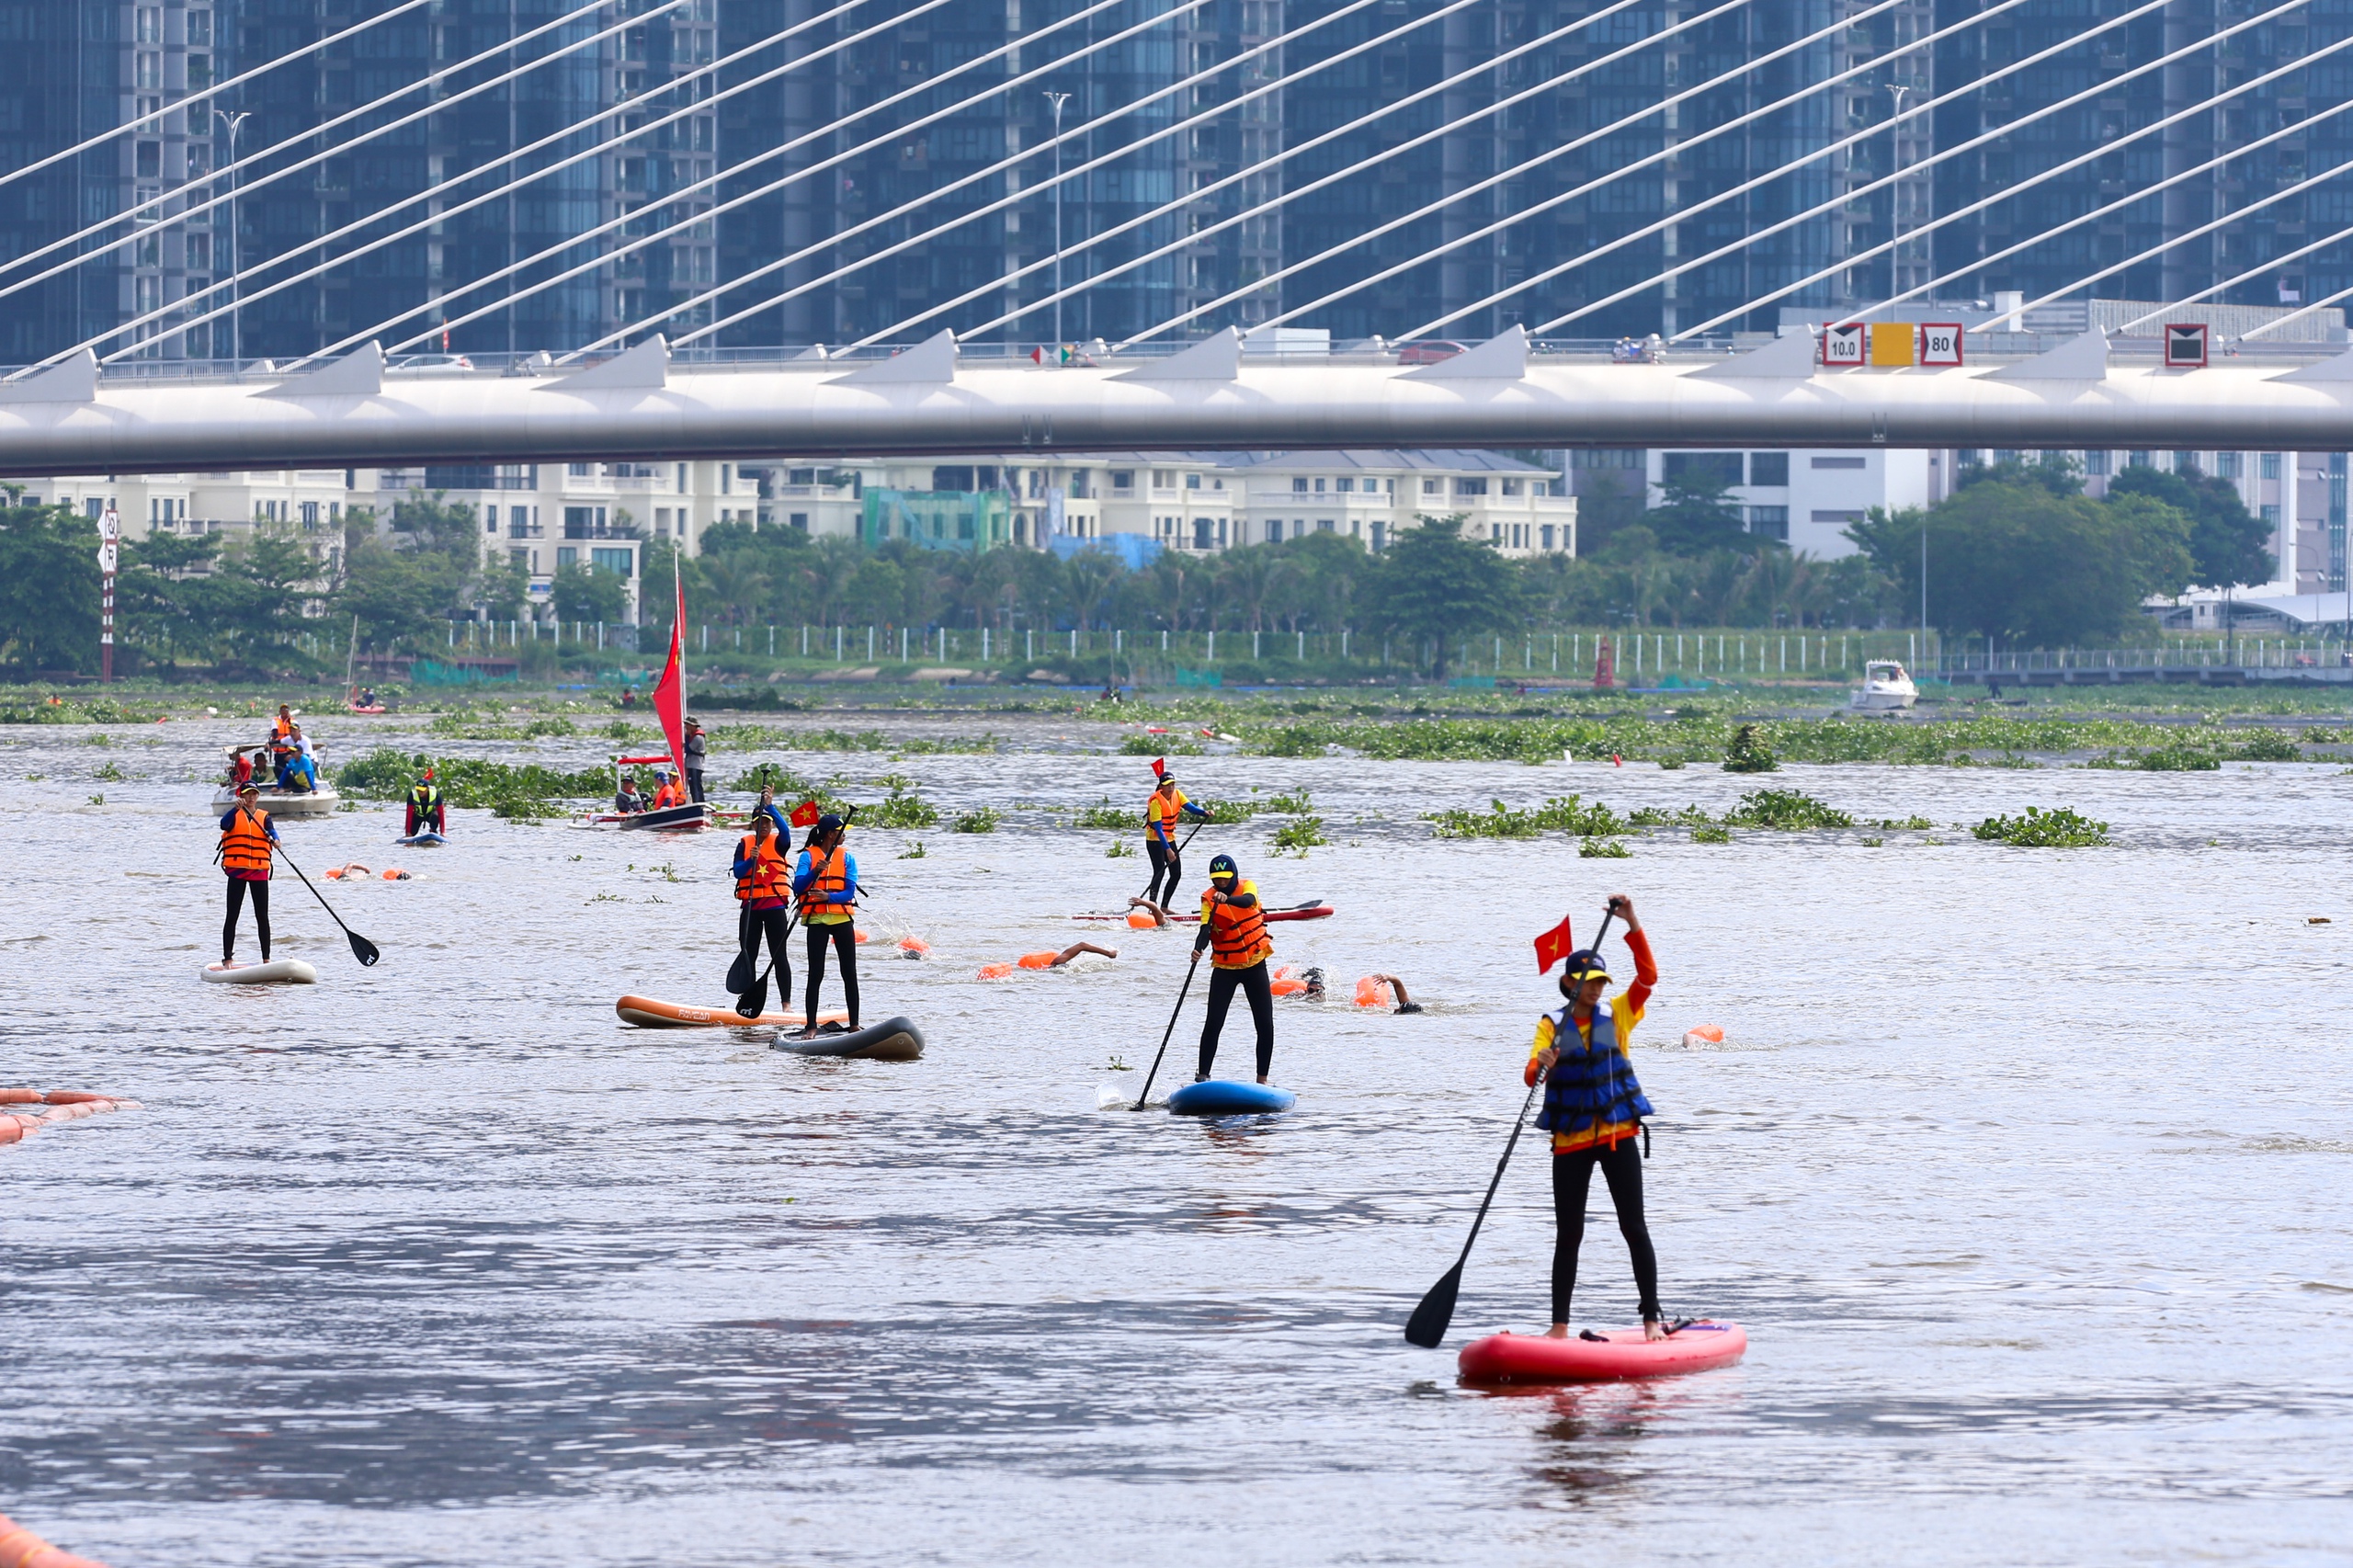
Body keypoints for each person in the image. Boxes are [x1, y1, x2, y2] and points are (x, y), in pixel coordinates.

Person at [1528, 893, 1663, 1342]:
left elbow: (1649, 977)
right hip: (1570, 1143)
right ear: (1569, 983)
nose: (1597, 988)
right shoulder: (1552, 1026)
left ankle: (1651, 1321)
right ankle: (1558, 1327)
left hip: (1618, 1137)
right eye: (1589, 981)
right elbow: (1532, 1076)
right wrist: (1544, 1061)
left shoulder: (1620, 1014)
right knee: (1569, 1234)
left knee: (1633, 1227)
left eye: (1602, 981)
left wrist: (1632, 923)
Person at [1192, 852, 1275, 1085]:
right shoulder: (1207, 898)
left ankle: (1262, 1080)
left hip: (1254, 964)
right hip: (1224, 967)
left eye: (1226, 878)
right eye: (1217, 879)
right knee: (1214, 1022)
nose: (1221, 883)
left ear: (1234, 875)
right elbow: (1205, 929)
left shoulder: (1248, 886)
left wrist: (1226, 899)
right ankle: (1202, 1076)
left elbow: (1248, 901)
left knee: (1264, 1023)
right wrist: (1198, 948)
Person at [793, 812, 859, 1033]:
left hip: (842, 919)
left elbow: (849, 891)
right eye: (841, 832)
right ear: (831, 834)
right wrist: (816, 871)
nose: (845, 836)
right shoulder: (808, 857)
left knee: (849, 973)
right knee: (816, 973)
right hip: (817, 920)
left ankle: (854, 1025)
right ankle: (810, 1026)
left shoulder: (847, 858)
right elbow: (798, 888)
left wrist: (828, 897)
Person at [732, 809, 793, 1005]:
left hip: (774, 907)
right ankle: (748, 1000)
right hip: (751, 908)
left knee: (779, 956)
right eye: (759, 822)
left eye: (767, 822)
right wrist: (751, 859)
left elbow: (785, 830)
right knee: (749, 955)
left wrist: (771, 806)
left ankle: (786, 1004)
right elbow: (738, 873)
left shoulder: (779, 843)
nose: (764, 825)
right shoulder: (745, 844)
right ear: (753, 824)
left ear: (772, 823)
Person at [217, 781, 279, 964]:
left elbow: (272, 831)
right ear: (241, 796)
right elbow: (223, 825)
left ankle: (266, 959)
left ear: (258, 796)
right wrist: (234, 809)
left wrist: (276, 839)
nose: (251, 798)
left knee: (262, 916)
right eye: (247, 794)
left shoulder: (264, 817)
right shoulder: (235, 815)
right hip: (237, 871)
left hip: (259, 871)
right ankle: (228, 958)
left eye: (254, 794)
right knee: (232, 915)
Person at [1144, 771, 1210, 908]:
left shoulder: (1178, 794)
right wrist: (1168, 850)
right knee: (1159, 871)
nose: (1171, 788)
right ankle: (1152, 906)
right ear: (1161, 786)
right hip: (1155, 840)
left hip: (1169, 838)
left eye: (1173, 784)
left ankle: (1164, 907)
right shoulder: (1156, 801)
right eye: (1168, 785)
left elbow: (1190, 807)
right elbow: (1158, 828)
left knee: (1176, 873)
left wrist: (1204, 812)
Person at [1357, 972, 1425, 1014]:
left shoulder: (1387, 1013)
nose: (1396, 1009)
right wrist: (1387, 977)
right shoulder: (1407, 1006)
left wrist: (1387, 977)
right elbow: (1398, 984)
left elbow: (1397, 984)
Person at [405, 767, 445, 837]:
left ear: (427, 789)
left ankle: (433, 831)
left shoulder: (436, 794)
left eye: (422, 790)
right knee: (412, 832)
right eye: (418, 790)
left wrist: (443, 832)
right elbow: (409, 815)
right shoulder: (412, 795)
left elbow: (441, 814)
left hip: (430, 815)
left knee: (436, 816)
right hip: (418, 815)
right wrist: (408, 832)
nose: (420, 792)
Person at [683, 719, 708, 804]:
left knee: (695, 786)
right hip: (692, 764)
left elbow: (688, 749)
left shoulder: (697, 737)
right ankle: (697, 802)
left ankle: (698, 803)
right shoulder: (693, 736)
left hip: (695, 765)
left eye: (688, 725)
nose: (686, 727)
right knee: (694, 786)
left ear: (693, 726)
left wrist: (686, 736)